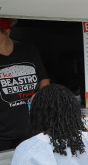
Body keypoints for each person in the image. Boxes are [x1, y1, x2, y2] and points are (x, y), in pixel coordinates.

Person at [0, 18, 51, 151]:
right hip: (3, 134)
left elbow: (43, 78)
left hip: (32, 129)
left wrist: (41, 95)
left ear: (7, 32)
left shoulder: (28, 50)